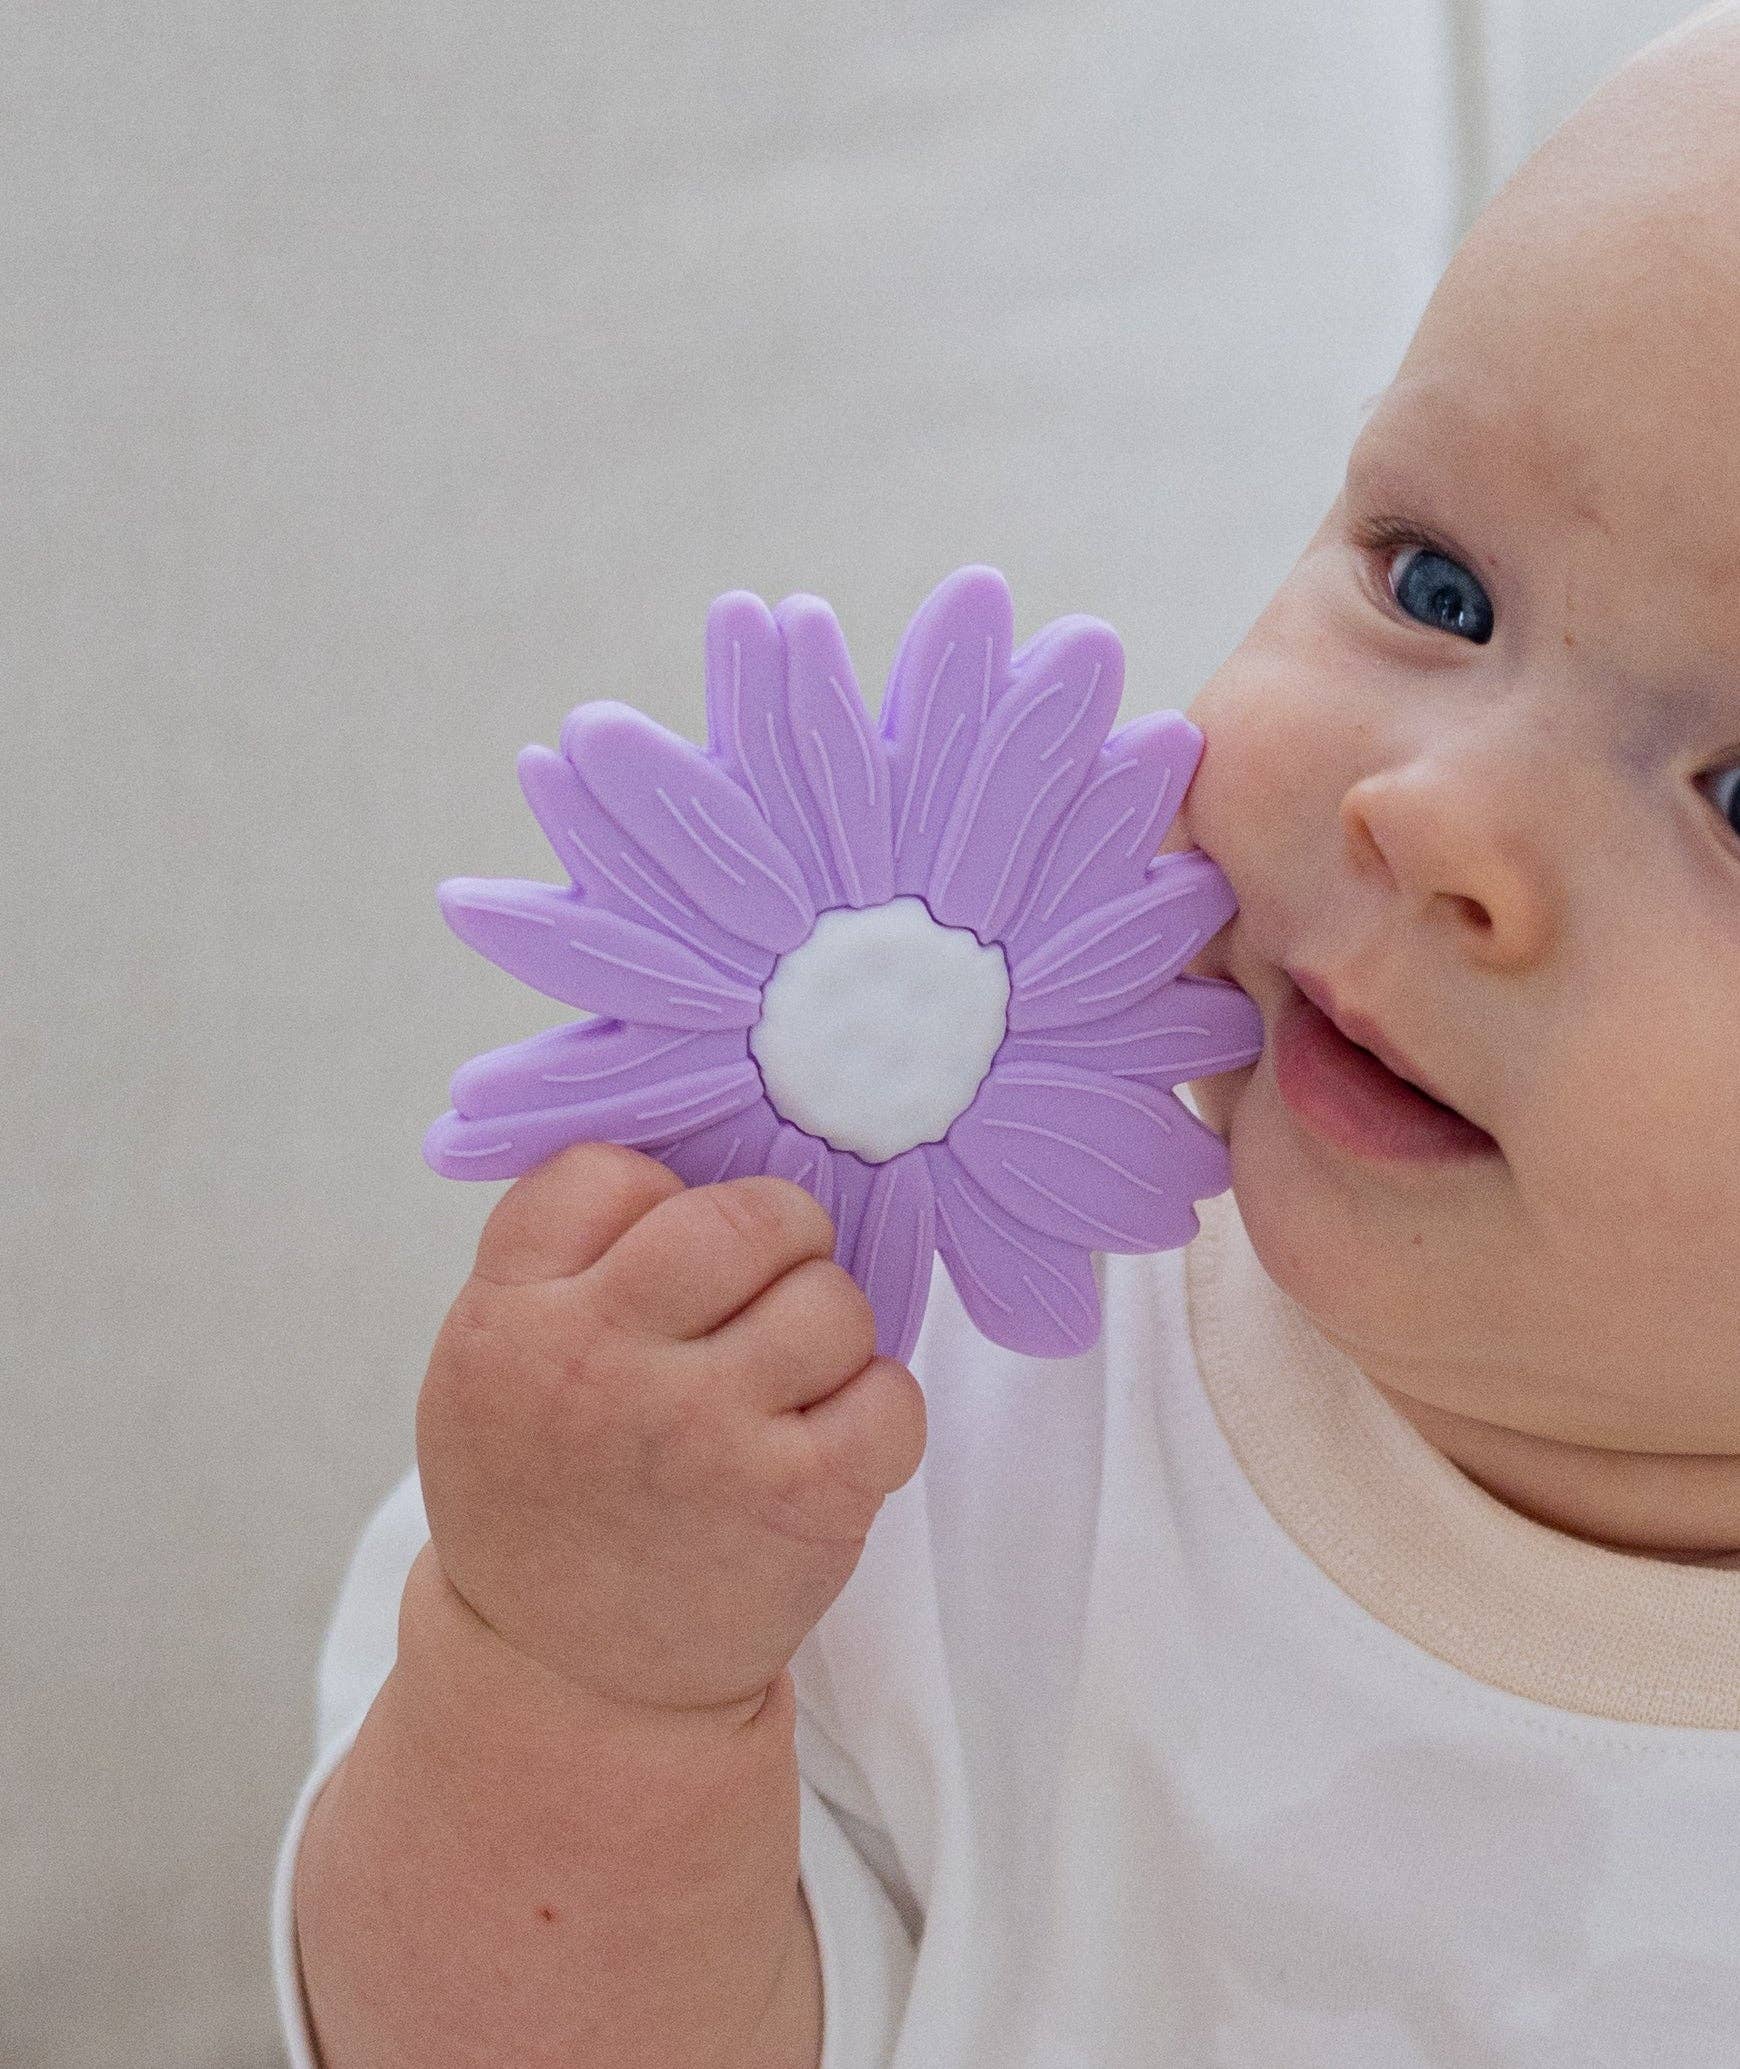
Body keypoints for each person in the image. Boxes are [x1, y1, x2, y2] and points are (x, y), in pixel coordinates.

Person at [274, 8, 1740, 2061]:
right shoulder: (879, 1405)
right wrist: (590, 1685)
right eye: (1438, 583)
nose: (1435, 816)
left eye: (1736, 798)